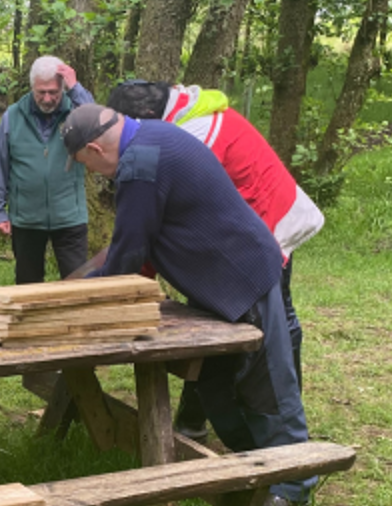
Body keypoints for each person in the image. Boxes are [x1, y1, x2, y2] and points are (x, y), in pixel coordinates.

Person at [62, 103, 315, 506]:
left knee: (266, 384)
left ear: (95, 148)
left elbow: (128, 251)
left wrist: (75, 296)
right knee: (214, 379)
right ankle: (254, 463)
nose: (93, 174)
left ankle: (293, 485)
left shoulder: (139, 165)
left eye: (86, 165)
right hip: (215, 284)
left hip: (242, 274)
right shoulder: (152, 135)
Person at [106, 81, 324, 440]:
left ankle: (282, 419)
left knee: (271, 327)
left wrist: (132, 274)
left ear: (145, 116)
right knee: (217, 321)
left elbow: (168, 218)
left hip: (264, 223)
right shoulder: (178, 116)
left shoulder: (188, 136)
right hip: (246, 226)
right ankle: (195, 419)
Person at [0, 56, 94, 284]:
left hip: (69, 216)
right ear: (32, 87)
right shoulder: (13, 117)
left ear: (63, 88)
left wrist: (76, 89)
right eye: (41, 92)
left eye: (54, 92)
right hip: (26, 217)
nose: (47, 99)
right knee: (27, 284)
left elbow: (96, 123)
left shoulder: (75, 112)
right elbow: (0, 165)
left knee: (78, 285)